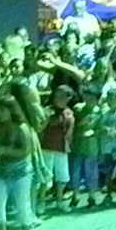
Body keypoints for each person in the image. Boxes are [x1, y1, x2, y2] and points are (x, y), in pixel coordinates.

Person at [0, 97, 38, 230]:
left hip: (20, 171)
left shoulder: (22, 127)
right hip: (0, 170)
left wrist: (5, 150)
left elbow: (26, 151)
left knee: (21, 204)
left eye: (3, 110)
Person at [38, 85, 75, 214]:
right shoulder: (47, 110)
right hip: (46, 147)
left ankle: (59, 201)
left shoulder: (69, 113)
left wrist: (68, 145)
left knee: (62, 176)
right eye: (56, 95)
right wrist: (46, 119)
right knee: (45, 176)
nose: (57, 98)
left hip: (61, 149)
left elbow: (69, 134)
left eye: (61, 96)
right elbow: (40, 129)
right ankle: (41, 202)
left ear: (68, 98)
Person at [69, 86, 102, 209]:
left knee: (91, 172)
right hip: (77, 145)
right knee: (75, 171)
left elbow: (101, 128)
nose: (88, 99)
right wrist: (80, 123)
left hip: (92, 146)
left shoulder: (99, 111)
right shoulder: (77, 108)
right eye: (87, 96)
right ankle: (75, 195)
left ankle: (91, 196)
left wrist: (93, 132)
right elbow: (72, 126)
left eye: (92, 98)